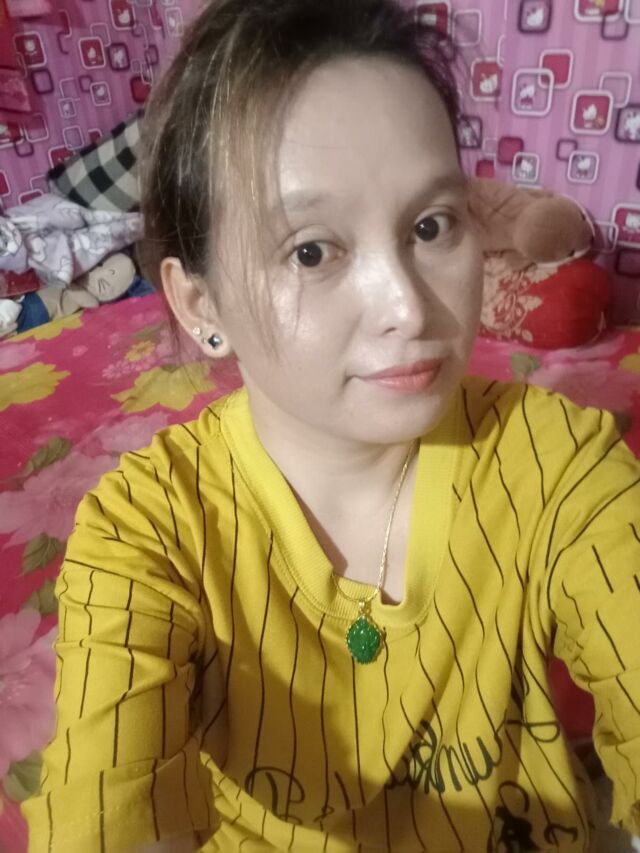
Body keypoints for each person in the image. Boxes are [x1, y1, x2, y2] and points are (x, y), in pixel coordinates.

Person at [21, 0, 640, 849]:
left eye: (430, 226)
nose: (406, 307)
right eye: (312, 250)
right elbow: (105, 815)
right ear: (201, 306)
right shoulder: (148, 532)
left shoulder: (560, 465)